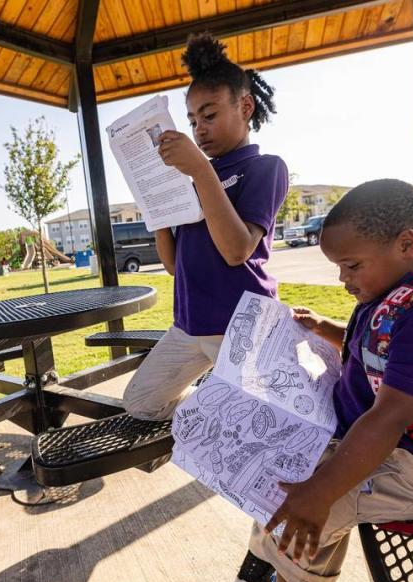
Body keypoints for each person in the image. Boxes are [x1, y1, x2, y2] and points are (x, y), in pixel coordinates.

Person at [247, 179, 413, 582]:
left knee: (296, 526)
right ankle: (288, 576)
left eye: (351, 265)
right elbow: (372, 352)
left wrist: (318, 494)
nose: (343, 278)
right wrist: (326, 329)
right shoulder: (392, 297)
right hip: (371, 442)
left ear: (406, 244)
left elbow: (389, 418)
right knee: (273, 492)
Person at [122, 32, 288, 428]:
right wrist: (155, 208)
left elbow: (237, 250)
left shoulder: (265, 168)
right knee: (140, 403)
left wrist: (198, 170)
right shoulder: (192, 176)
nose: (199, 129)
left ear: (245, 106)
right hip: (189, 323)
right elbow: (173, 266)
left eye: (210, 115)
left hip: (240, 323)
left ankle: (235, 411)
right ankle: (224, 409)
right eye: (193, 120)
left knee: (266, 426)